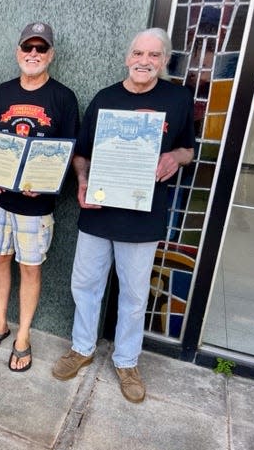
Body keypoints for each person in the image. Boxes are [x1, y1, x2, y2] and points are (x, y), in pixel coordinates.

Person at [51, 28, 195, 403]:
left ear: (163, 61)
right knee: (85, 285)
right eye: (138, 53)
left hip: (143, 214)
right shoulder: (105, 98)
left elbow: (188, 151)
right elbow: (81, 152)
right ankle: (82, 348)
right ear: (127, 57)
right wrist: (81, 180)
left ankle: (127, 361)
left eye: (153, 55)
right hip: (99, 210)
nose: (144, 61)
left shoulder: (178, 99)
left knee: (133, 294)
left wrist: (173, 158)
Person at [0, 22, 79, 371]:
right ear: (18, 51)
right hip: (0, 200)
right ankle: (0, 323)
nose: (33, 54)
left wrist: (49, 182)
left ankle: (23, 337)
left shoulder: (63, 97)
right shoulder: (2, 92)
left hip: (37, 206)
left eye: (40, 48)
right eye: (27, 47)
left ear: (51, 55)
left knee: (30, 269)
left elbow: (70, 152)